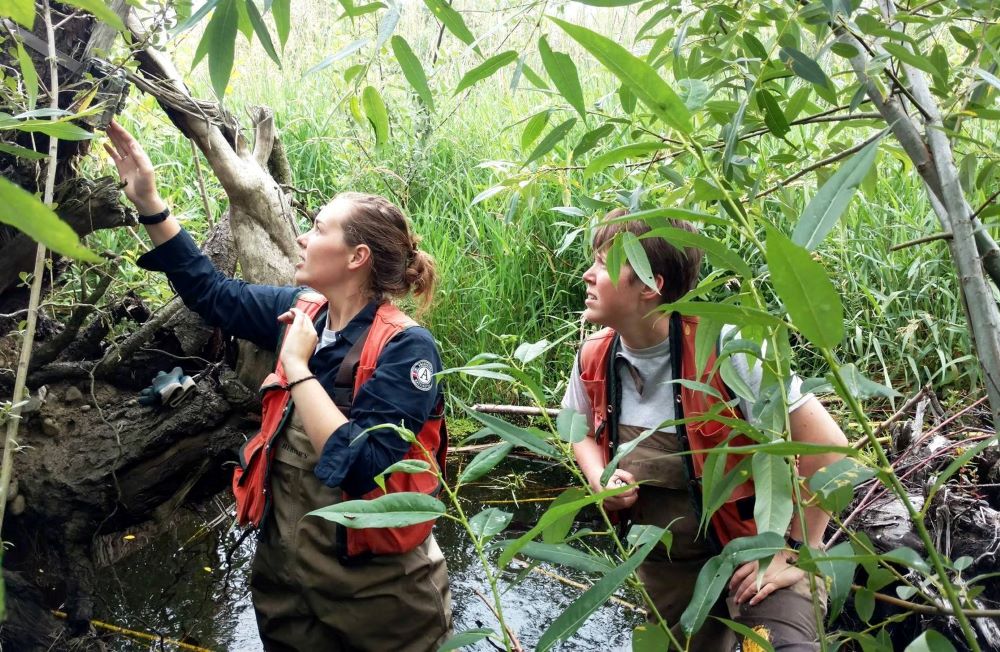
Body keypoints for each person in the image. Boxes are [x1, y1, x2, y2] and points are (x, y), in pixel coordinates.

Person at [105, 122, 452, 651]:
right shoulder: (300, 312)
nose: (303, 238)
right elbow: (212, 293)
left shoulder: (407, 349)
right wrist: (151, 203)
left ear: (356, 257)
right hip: (287, 582)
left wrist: (298, 366)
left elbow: (361, 466)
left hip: (380, 598)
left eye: (318, 228)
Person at [564, 209, 849, 651]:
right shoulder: (594, 356)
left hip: (758, 557)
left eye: (603, 263)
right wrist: (599, 475)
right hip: (668, 567)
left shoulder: (725, 347)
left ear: (649, 285)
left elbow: (829, 448)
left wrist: (796, 549)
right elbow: (576, 428)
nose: (587, 274)